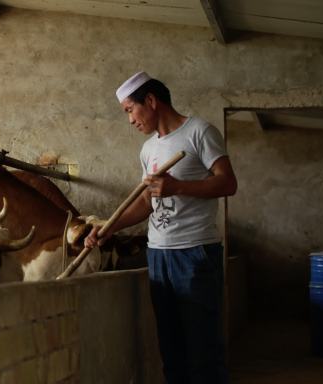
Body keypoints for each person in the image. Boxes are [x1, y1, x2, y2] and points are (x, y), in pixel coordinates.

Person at [85, 71, 237, 384]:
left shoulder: (199, 131)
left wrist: (179, 187)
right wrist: (110, 228)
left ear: (151, 101)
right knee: (171, 349)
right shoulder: (148, 150)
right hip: (158, 256)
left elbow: (228, 183)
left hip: (195, 253)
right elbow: (145, 203)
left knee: (203, 351)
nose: (130, 120)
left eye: (130, 110)